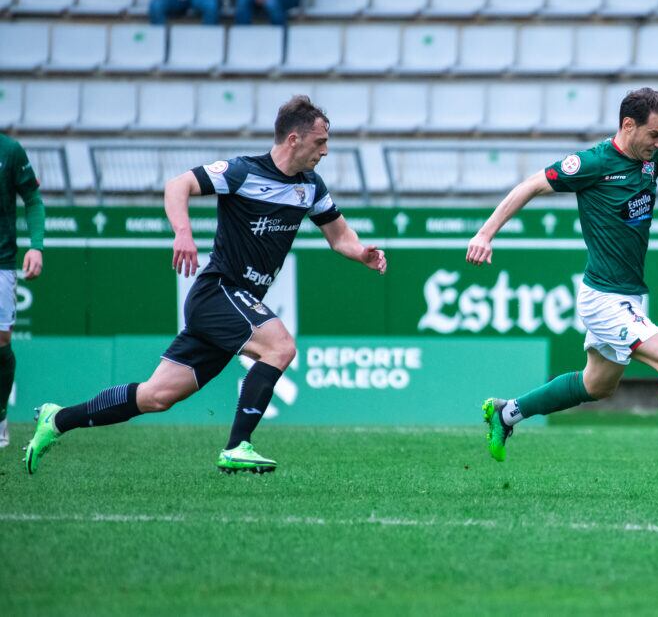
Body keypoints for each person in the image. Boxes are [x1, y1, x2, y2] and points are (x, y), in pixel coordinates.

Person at [24, 96, 387, 475]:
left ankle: (58, 419)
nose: (326, 151)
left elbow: (339, 234)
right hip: (218, 292)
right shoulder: (242, 172)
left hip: (235, 303)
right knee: (280, 346)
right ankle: (236, 447)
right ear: (294, 139)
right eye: (320, 142)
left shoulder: (310, 186)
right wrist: (183, 232)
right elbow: (177, 185)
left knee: (156, 396)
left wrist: (361, 252)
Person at [468, 88, 658, 495]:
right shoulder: (591, 163)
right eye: (654, 134)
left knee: (597, 385)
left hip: (629, 296)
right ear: (628, 126)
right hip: (603, 299)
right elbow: (529, 186)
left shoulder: (655, 158)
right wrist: (485, 233)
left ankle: (506, 414)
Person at [0, 134, 44, 449]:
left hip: (1, 262)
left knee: (1, 341)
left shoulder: (10, 150)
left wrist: (36, 246)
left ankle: (0, 417)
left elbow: (32, 198)